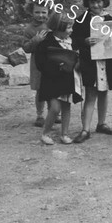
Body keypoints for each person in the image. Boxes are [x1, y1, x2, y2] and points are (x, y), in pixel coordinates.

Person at [71, 0, 112, 143]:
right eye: (92, 2)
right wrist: (84, 41)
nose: (96, 5)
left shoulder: (110, 20)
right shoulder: (81, 20)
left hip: (107, 63)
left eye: (99, 2)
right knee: (91, 94)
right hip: (90, 64)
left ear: (104, 2)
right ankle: (85, 129)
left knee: (104, 93)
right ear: (88, 2)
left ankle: (101, 123)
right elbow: (73, 41)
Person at [34, 12, 82, 145]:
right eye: (68, 28)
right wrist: (55, 66)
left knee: (66, 106)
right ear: (57, 28)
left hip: (68, 79)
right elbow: (40, 62)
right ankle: (45, 133)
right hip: (53, 81)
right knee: (55, 107)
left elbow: (79, 56)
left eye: (71, 27)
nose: (71, 30)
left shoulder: (72, 41)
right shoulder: (47, 42)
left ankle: (64, 133)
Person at [22, 0, 56, 127]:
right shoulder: (29, 29)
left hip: (52, 61)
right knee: (40, 89)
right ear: (31, 11)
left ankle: (53, 113)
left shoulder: (52, 25)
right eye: (37, 12)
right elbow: (26, 48)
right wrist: (36, 40)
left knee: (52, 88)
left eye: (44, 12)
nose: (40, 15)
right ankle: (40, 115)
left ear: (49, 11)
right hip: (38, 63)